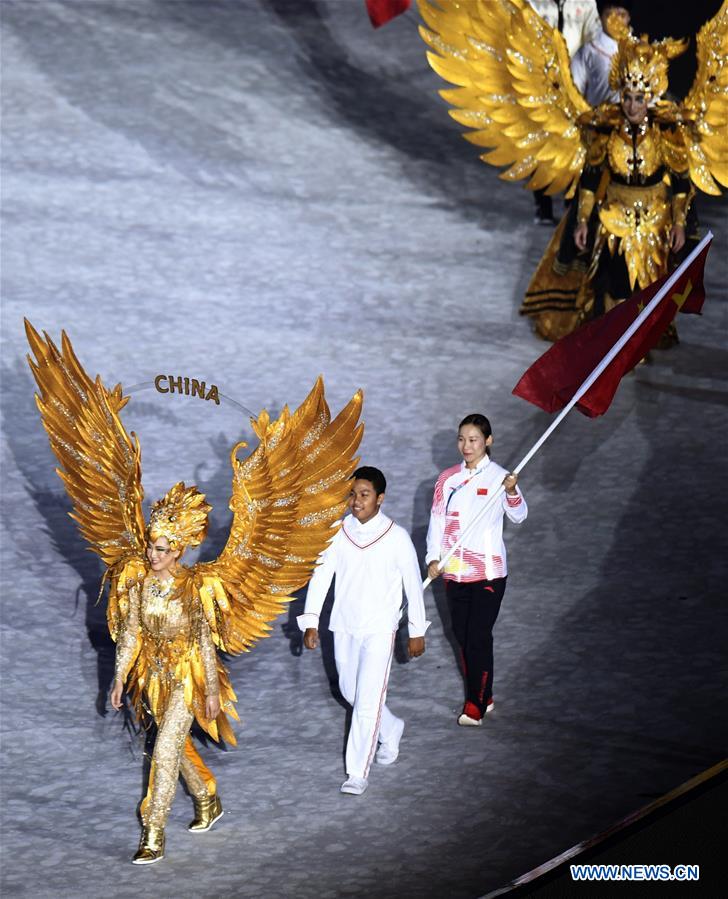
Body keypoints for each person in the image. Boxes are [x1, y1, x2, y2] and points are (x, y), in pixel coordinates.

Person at [26, 322, 364, 864]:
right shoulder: (137, 574)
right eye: (152, 543)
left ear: (179, 548)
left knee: (162, 748)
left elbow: (206, 643)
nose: (152, 551)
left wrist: (208, 690)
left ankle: (151, 834)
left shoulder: (200, 587)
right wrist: (117, 679)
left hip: (188, 673)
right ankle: (207, 797)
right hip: (149, 670)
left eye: (161, 546)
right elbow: (133, 629)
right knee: (172, 743)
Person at [299, 466, 429, 796]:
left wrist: (416, 630)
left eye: (364, 495)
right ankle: (392, 727)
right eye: (353, 494)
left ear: (380, 498)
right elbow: (321, 577)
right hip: (343, 624)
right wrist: (311, 620)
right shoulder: (337, 533)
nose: (356, 501)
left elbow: (414, 586)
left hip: (380, 630)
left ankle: (356, 772)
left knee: (368, 701)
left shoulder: (397, 538)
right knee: (349, 690)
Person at [426, 415, 527, 726]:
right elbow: (437, 523)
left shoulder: (500, 478)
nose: (466, 446)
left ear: (488, 441)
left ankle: (475, 705)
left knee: (477, 637)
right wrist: (433, 557)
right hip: (454, 573)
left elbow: (519, 515)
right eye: (462, 439)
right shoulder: (447, 480)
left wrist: (511, 491)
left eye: (473, 440)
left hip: (489, 573)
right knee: (462, 635)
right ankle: (485, 691)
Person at [528, 0, 601, 224]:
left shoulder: (585, 2)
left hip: (574, 88)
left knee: (575, 146)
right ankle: (543, 205)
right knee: (542, 145)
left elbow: (594, 36)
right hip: (541, 86)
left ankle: (572, 204)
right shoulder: (533, 3)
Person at [571, 2, 632, 108]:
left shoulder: (638, 52)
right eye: (610, 15)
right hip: (597, 121)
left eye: (622, 15)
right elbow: (573, 94)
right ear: (600, 17)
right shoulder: (587, 52)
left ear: (628, 18)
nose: (616, 21)